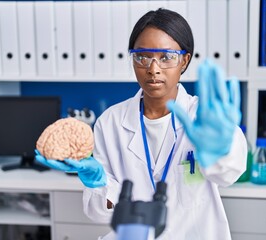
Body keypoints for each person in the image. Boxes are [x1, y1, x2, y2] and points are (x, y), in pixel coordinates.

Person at [35, 8, 247, 240]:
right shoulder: (110, 122)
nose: (153, 69)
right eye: (143, 56)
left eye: (166, 57)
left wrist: (221, 149)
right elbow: (98, 213)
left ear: (184, 61)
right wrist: (98, 182)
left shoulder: (204, 119)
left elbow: (229, 175)